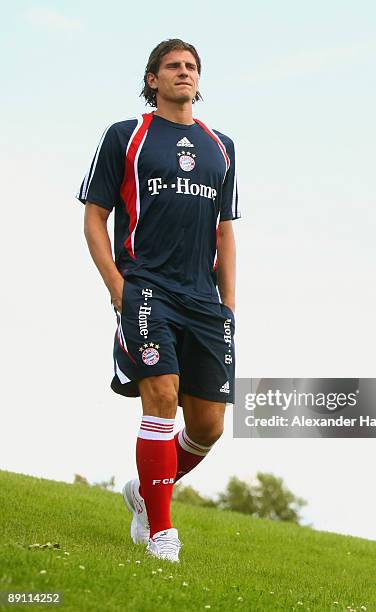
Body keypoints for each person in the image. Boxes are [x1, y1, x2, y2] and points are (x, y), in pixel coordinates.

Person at [77, 38, 240, 562]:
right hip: (146, 287)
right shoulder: (126, 136)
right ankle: (163, 534)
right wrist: (116, 286)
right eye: (173, 66)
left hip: (204, 301)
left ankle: (144, 492)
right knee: (162, 396)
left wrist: (229, 305)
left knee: (208, 426)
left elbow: (226, 231)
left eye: (192, 67)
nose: (184, 73)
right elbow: (94, 216)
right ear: (152, 79)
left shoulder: (222, 146)